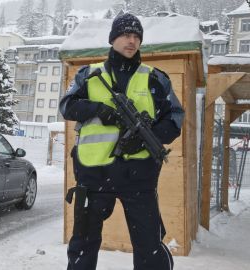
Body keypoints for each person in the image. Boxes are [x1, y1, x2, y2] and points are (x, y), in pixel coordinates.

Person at [60, 13, 184, 270]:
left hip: (139, 177)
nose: (132, 40)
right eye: (126, 34)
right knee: (82, 245)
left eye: (137, 36)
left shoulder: (155, 78)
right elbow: (67, 106)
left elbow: (175, 118)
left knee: (149, 248)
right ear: (113, 38)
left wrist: (148, 140)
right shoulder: (88, 74)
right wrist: (97, 109)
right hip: (94, 176)